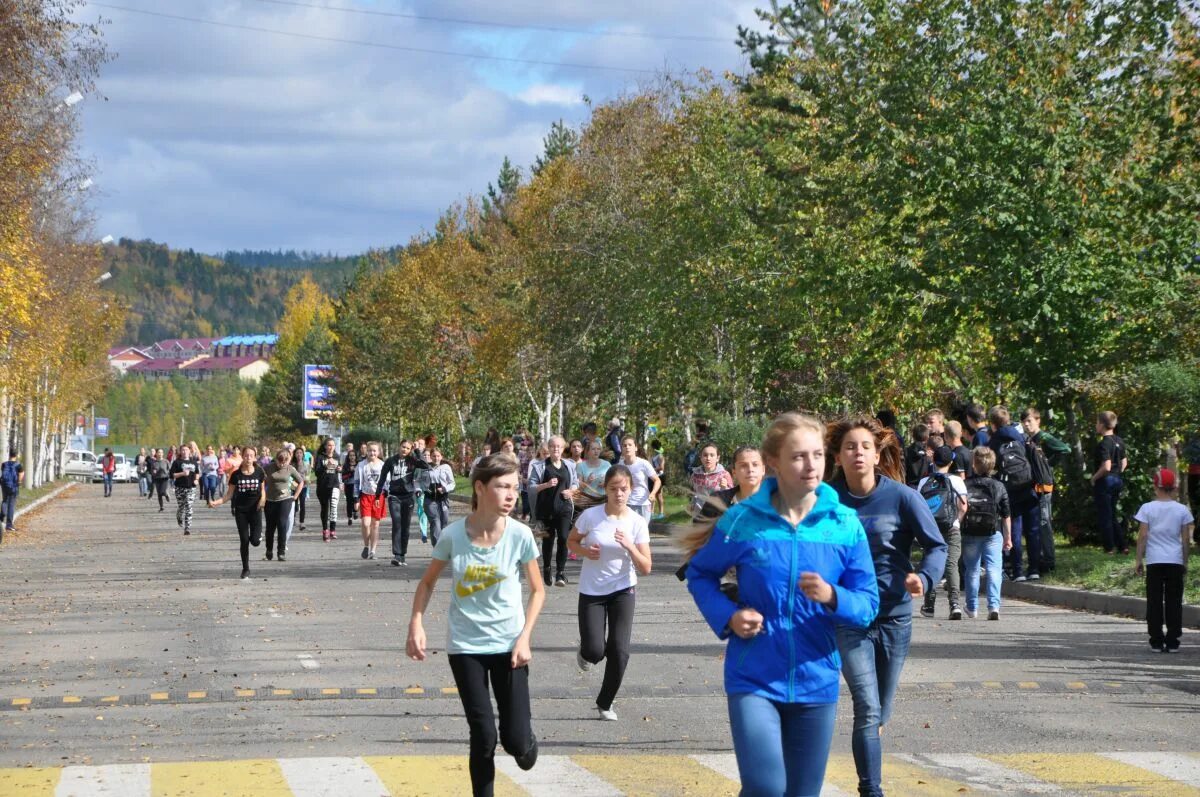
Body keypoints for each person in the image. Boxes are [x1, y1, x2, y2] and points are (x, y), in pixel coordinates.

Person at [688, 413, 879, 797]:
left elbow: (868, 603)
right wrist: (729, 616)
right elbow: (700, 574)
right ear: (773, 462)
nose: (811, 466)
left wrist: (833, 596)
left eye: (817, 455)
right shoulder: (744, 520)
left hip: (816, 681)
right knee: (765, 788)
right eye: (798, 457)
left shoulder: (844, 524)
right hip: (754, 676)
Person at [406, 453, 544, 797]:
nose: (511, 495)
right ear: (480, 488)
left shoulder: (520, 535)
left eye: (515, 487)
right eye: (502, 487)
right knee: (483, 734)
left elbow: (539, 590)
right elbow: (427, 583)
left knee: (516, 745)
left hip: (510, 646)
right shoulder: (453, 535)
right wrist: (416, 623)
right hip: (466, 647)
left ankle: (526, 742)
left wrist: (525, 637)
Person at [826, 414, 947, 797]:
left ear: (878, 455)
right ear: (838, 456)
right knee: (867, 707)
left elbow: (937, 546)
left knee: (880, 712)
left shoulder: (902, 497)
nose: (858, 453)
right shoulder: (826, 500)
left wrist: (924, 579)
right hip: (849, 618)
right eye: (850, 447)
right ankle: (871, 790)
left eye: (865, 446)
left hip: (895, 617)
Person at [568, 464, 652, 721]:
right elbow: (571, 541)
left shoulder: (637, 522)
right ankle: (585, 652)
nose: (619, 494)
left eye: (624, 489)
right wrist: (584, 551)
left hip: (623, 590)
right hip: (592, 591)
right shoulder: (591, 517)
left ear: (631, 490)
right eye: (613, 489)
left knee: (620, 650)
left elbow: (646, 567)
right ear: (605, 489)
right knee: (595, 651)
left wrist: (630, 546)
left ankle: (605, 702)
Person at [1135, 468, 1193, 652]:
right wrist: (1185, 562)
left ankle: (1156, 640)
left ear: (1155, 486)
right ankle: (1173, 640)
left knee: (1154, 600)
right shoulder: (1182, 510)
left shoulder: (1147, 508)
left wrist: (1138, 560)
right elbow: (1185, 540)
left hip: (1154, 561)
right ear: (1174, 487)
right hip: (1175, 560)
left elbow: (1143, 536)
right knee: (1174, 601)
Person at [988, 405, 1042, 581]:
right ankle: (1034, 569)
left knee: (1014, 532)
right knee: (1033, 530)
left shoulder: (993, 442)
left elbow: (992, 468)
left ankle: (1018, 571)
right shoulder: (1021, 436)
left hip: (1010, 492)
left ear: (993, 424)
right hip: (1029, 487)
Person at [961, 447, 1013, 620]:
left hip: (970, 532)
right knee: (994, 569)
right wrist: (1008, 537)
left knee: (972, 570)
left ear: (974, 464)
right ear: (992, 465)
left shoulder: (965, 484)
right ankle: (994, 607)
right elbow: (1006, 515)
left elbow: (960, 508)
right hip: (993, 533)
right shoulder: (999, 486)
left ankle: (972, 607)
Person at [918, 446, 968, 619]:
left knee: (931, 563)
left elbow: (920, 509)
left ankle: (929, 605)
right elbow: (963, 506)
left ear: (933, 461)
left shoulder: (924, 483)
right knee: (951, 564)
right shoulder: (956, 481)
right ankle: (954, 604)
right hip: (952, 527)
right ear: (951, 462)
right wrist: (956, 522)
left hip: (931, 530)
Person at [1021, 408, 1072, 572]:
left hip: (1044, 486)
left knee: (1044, 522)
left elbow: (1065, 449)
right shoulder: (1029, 440)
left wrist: (1048, 463)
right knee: (1036, 524)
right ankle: (1041, 557)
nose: (1026, 424)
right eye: (1024, 421)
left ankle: (1049, 560)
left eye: (1029, 420)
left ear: (1038, 421)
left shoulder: (1043, 437)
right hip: (1033, 486)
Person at [207, 446, 265, 580]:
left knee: (255, 541)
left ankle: (257, 536)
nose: (248, 458)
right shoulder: (236, 475)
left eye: (251, 455)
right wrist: (216, 502)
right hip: (241, 511)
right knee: (244, 540)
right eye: (246, 455)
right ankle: (245, 569)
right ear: (242, 457)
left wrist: (262, 499)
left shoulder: (259, 472)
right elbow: (228, 495)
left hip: (255, 510)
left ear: (255, 457)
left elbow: (263, 490)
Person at [533, 436, 578, 587]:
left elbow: (575, 484)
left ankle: (560, 572)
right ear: (549, 448)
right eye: (552, 446)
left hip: (564, 508)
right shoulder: (540, 466)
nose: (556, 449)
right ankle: (547, 567)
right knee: (548, 540)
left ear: (563, 448)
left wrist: (571, 491)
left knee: (564, 538)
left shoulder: (569, 465)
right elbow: (531, 488)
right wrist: (546, 484)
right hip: (545, 509)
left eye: (558, 446)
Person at [379, 439, 432, 566]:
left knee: (405, 527)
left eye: (408, 448)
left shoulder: (412, 460)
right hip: (394, 496)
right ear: (399, 446)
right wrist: (377, 496)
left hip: (408, 496)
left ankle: (403, 554)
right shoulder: (390, 461)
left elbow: (426, 466)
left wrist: (418, 451)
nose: (405, 450)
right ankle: (397, 555)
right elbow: (382, 478)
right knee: (397, 523)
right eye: (403, 447)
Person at [1092, 410, 1129, 554]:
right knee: (1112, 513)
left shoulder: (1104, 444)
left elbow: (1106, 466)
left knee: (1105, 515)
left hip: (1105, 481)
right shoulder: (1119, 440)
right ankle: (1122, 545)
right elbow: (1124, 463)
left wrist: (1094, 477)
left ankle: (1109, 547)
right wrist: (1117, 473)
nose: (1096, 426)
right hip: (1117, 480)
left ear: (1101, 424)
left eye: (1097, 422)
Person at [263, 449, 303, 562]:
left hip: (285, 500)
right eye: (279, 461)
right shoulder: (268, 467)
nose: (282, 464)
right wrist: (261, 495)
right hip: (270, 500)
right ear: (276, 460)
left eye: (284, 462)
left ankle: (281, 552)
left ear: (288, 461)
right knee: (270, 527)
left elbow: (301, 481)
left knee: (282, 524)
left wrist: (295, 496)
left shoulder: (290, 468)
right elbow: (260, 479)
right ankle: (269, 550)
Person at [617, 436, 660, 523]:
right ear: (621, 449)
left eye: (630, 445)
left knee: (641, 533)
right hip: (626, 504)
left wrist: (653, 493)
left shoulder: (643, 463)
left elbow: (657, 480)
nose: (627, 447)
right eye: (624, 446)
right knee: (627, 532)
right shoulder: (620, 465)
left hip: (642, 503)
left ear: (636, 448)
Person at [355, 442, 386, 559]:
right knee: (365, 523)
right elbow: (357, 482)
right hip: (365, 496)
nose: (372, 453)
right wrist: (356, 499)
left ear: (378, 452)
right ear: (366, 451)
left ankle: (373, 551)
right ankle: (366, 546)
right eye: (370, 450)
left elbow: (387, 482)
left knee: (375, 524)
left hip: (378, 497)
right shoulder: (362, 465)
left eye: (374, 451)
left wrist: (386, 493)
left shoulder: (383, 465)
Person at [422, 447, 456, 546]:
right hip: (430, 499)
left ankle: (444, 547)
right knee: (435, 522)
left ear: (441, 457)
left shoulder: (446, 467)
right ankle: (437, 548)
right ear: (430, 457)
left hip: (443, 498)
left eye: (438, 456)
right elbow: (418, 481)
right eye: (434, 456)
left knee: (444, 524)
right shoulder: (425, 468)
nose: (436, 458)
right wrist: (421, 489)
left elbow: (452, 483)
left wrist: (445, 488)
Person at [689, 443, 734, 512]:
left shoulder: (724, 474)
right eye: (705, 455)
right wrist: (692, 503)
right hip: (699, 514)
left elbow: (732, 497)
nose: (708, 458)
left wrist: (724, 488)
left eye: (712, 455)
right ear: (700, 457)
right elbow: (694, 492)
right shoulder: (695, 475)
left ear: (717, 458)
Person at [314, 438, 342, 542]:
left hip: (334, 484)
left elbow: (339, 469)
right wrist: (325, 466)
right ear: (325, 446)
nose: (331, 447)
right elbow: (316, 472)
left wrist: (340, 469)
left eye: (333, 445)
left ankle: (333, 530)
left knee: (334, 506)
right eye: (329, 445)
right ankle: (325, 529)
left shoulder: (337, 456)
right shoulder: (320, 457)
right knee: (325, 509)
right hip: (323, 486)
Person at [170, 444, 200, 535]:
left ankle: (187, 528)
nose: (184, 452)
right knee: (181, 507)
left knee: (189, 507)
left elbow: (197, 473)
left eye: (186, 450)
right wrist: (182, 473)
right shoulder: (177, 462)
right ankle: (179, 516)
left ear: (189, 451)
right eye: (183, 450)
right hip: (180, 487)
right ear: (180, 452)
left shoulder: (193, 462)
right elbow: (172, 475)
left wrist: (196, 480)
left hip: (191, 488)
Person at [575, 440, 611, 509]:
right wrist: (587, 482)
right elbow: (578, 489)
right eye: (593, 449)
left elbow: (613, 483)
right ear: (588, 451)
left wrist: (606, 483)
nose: (596, 451)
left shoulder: (607, 465)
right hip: (587, 501)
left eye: (598, 449)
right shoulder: (581, 466)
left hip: (603, 500)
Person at [1, 449, 24, 538]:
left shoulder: (4, 464)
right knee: (11, 504)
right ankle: (9, 525)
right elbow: (21, 474)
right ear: (16, 455)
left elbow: (2, 473)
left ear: (9, 455)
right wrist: (19, 482)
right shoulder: (18, 465)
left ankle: (1, 517)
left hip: (4, 485)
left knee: (5, 500)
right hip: (13, 486)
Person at [293, 444, 311, 531]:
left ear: (303, 455)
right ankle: (293, 519)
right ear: (294, 454)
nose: (299, 454)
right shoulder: (291, 465)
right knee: (294, 504)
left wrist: (306, 480)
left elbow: (308, 475)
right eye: (297, 453)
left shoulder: (306, 464)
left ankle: (302, 522)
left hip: (303, 486)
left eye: (300, 453)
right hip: (293, 487)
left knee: (303, 504)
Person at [341, 448, 359, 524]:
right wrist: (350, 472)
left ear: (355, 456)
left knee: (356, 500)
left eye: (353, 455)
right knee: (349, 501)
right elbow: (343, 477)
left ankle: (355, 511)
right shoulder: (346, 465)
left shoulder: (359, 464)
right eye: (350, 455)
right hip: (348, 485)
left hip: (357, 485)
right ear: (348, 457)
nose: (352, 457)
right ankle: (349, 517)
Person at [649, 439, 666, 520]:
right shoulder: (654, 456)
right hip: (654, 476)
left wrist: (652, 469)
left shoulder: (660, 456)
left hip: (659, 476)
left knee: (658, 495)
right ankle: (652, 512)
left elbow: (662, 467)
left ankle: (661, 513)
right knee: (653, 494)